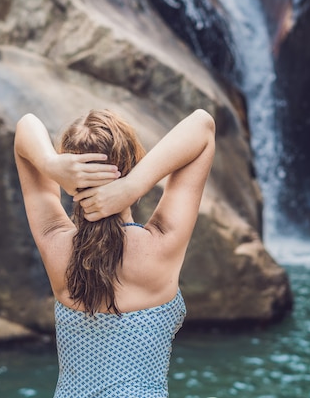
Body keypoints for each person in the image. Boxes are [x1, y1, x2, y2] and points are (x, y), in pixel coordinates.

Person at [14, 108, 215, 397]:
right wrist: (133, 185)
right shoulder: (162, 245)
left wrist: (49, 164)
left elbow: (26, 126)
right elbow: (203, 126)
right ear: (132, 165)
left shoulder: (55, 245)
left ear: (70, 182)